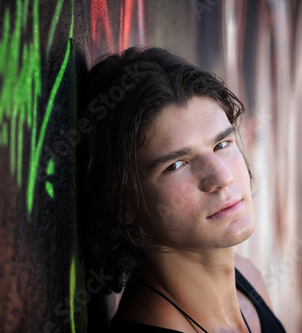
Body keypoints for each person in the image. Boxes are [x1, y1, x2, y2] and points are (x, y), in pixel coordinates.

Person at [78, 47, 286, 333]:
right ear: (123, 202)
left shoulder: (249, 280)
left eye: (222, 145)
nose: (221, 177)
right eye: (177, 164)